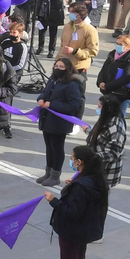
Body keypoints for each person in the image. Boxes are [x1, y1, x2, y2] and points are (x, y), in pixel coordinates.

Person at [46, 145, 108, 259]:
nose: (71, 161)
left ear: (79, 162)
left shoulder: (80, 186)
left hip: (71, 232)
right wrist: (74, 184)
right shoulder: (96, 178)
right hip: (84, 230)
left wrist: (53, 201)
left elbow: (71, 212)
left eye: (72, 158)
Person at [36, 56, 85, 187]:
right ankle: (48, 172)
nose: (57, 69)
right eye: (56, 66)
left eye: (61, 67)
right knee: (49, 147)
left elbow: (74, 105)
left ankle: (55, 175)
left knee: (57, 148)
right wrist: (41, 98)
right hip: (47, 120)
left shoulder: (72, 84)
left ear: (68, 69)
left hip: (59, 123)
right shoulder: (53, 80)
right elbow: (45, 92)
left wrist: (52, 105)